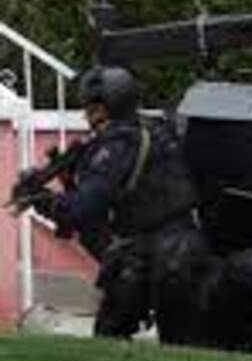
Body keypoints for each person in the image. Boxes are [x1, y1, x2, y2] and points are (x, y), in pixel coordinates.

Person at [29, 66, 207, 344]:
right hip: (172, 243)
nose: (85, 112)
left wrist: (45, 201)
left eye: (91, 105)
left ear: (104, 107)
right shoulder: (150, 127)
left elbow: (82, 209)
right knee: (163, 340)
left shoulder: (118, 143)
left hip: (162, 253)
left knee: (120, 337)